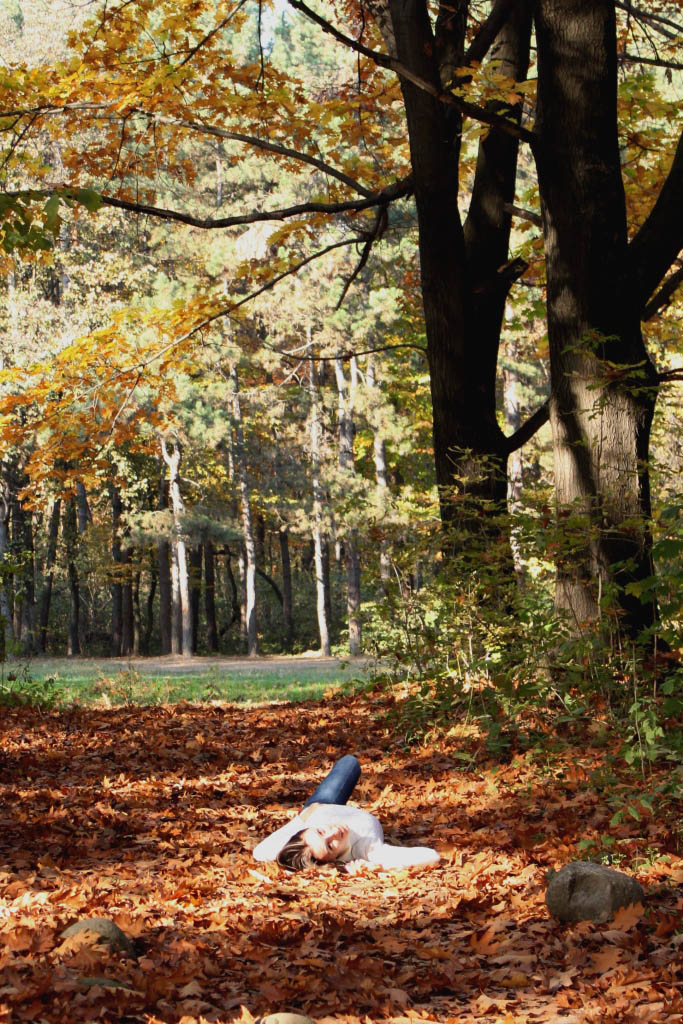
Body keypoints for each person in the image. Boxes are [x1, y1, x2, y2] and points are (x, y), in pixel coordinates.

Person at [252, 755, 441, 873]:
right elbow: (432, 856)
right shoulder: (363, 850)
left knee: (349, 762)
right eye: (330, 846)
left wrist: (302, 819)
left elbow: (259, 852)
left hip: (323, 804)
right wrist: (380, 867)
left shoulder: (295, 839)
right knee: (350, 763)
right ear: (332, 860)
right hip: (330, 816)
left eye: (320, 832)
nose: (334, 833)